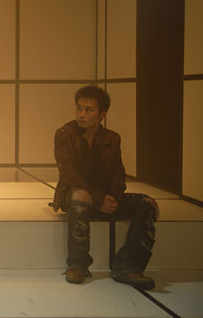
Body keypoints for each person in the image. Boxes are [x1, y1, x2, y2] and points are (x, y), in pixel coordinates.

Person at [52, 85, 159, 289]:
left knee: (148, 203)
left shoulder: (112, 138)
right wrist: (99, 199)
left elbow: (118, 174)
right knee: (80, 195)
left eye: (88, 110)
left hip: (104, 197)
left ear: (102, 114)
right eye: (79, 108)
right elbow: (69, 174)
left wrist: (114, 198)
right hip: (77, 195)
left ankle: (130, 266)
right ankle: (78, 264)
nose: (81, 114)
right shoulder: (65, 134)